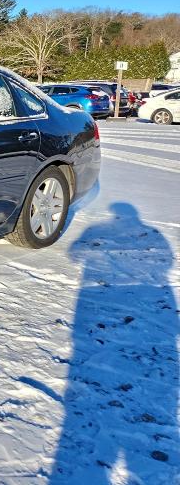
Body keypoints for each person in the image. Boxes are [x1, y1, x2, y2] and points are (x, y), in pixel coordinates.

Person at [51, 202, 178, 482]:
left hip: (97, 301)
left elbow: (75, 253)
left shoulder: (101, 230)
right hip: (134, 303)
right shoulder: (152, 234)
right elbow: (167, 261)